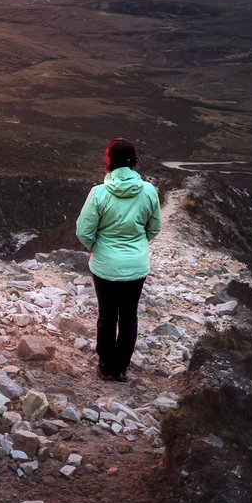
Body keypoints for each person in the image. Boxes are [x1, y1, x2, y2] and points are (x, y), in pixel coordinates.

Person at [76, 138, 161, 382]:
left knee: (107, 314)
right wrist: (138, 245)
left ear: (109, 160)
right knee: (129, 314)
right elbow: (154, 227)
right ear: (134, 161)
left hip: (105, 265)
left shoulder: (99, 193)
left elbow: (84, 231)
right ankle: (121, 368)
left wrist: (99, 248)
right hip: (136, 265)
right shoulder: (148, 191)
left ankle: (105, 366)